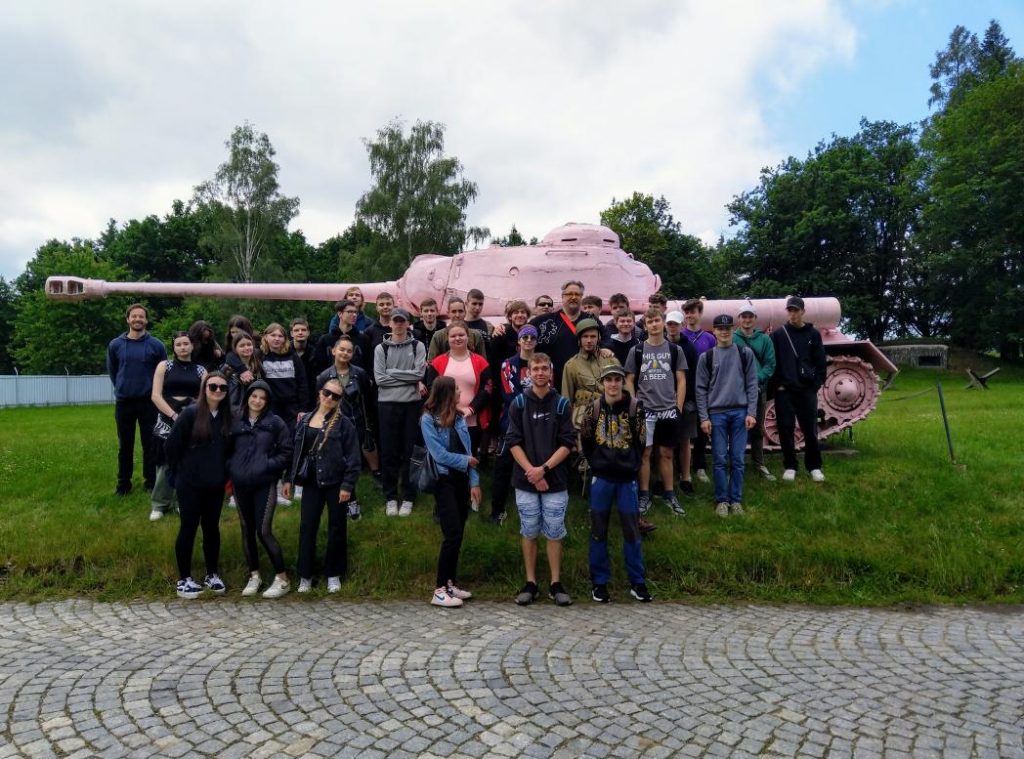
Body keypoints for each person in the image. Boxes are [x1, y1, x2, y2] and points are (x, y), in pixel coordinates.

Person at [506, 353, 576, 607]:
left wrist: (543, 470)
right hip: (526, 480)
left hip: (555, 479)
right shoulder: (519, 404)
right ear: (528, 373)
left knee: (555, 532)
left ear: (551, 372)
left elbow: (568, 443)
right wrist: (532, 473)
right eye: (535, 368)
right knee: (529, 529)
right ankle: (531, 582)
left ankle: (556, 583)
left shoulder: (562, 404)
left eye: (544, 368)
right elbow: (513, 442)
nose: (539, 372)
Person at [580, 364, 652, 603]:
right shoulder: (594, 408)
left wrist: (629, 464)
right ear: (602, 383)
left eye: (617, 380)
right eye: (608, 380)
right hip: (601, 478)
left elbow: (641, 443)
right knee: (598, 531)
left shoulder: (635, 408)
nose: (612, 384)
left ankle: (637, 581)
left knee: (632, 531)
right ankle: (599, 583)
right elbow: (587, 440)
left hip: (627, 479)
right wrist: (598, 463)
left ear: (622, 382)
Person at [284, 377, 362, 593]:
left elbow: (354, 458)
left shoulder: (344, 424)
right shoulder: (304, 420)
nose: (329, 398)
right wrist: (288, 479)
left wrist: (347, 486)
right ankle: (305, 575)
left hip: (336, 482)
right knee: (307, 527)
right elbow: (294, 453)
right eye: (327, 393)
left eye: (335, 396)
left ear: (339, 400)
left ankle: (333, 573)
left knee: (337, 528)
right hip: (310, 482)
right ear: (320, 393)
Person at [164, 371, 233, 599]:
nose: (217, 391)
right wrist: (176, 475)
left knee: (212, 528)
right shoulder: (190, 414)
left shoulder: (227, 417)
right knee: (188, 527)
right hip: (190, 483)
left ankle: (212, 573)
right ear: (204, 388)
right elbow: (172, 447)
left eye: (223, 388)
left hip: (215, 484)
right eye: (213, 386)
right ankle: (183, 578)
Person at [227, 380, 293, 598]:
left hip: (264, 483)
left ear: (268, 401)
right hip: (240, 483)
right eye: (254, 396)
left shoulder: (275, 422)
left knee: (263, 531)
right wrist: (231, 467)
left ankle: (282, 579)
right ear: (248, 396)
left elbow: (286, 451)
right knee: (246, 530)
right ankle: (254, 576)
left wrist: (267, 466)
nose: (257, 401)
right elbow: (226, 447)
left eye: (262, 398)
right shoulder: (235, 419)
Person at [421, 377, 482, 608]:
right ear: (446, 393)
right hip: (444, 481)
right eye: (456, 389)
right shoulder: (428, 420)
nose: (460, 392)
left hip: (461, 482)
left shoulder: (458, 418)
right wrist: (466, 461)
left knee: (459, 533)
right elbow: (439, 455)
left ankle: (450, 583)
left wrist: (474, 482)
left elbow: (469, 449)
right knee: (452, 534)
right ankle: (439, 590)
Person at [624, 309, 687, 516]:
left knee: (667, 453)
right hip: (646, 410)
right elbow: (629, 380)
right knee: (645, 453)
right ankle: (644, 494)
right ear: (645, 325)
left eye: (657, 320)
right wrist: (635, 404)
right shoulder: (637, 350)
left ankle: (669, 493)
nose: (653, 324)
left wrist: (678, 407)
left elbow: (681, 380)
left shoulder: (675, 350)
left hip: (668, 409)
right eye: (649, 321)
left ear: (663, 322)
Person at [696, 315, 759, 517]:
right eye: (720, 328)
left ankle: (736, 500)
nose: (724, 331)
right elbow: (700, 389)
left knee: (738, 459)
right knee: (720, 459)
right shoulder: (706, 357)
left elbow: (751, 384)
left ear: (733, 329)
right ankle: (722, 500)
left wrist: (751, 412)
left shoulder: (744, 353)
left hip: (740, 412)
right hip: (717, 414)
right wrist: (704, 417)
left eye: (727, 328)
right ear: (713, 331)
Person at [107, 303, 167, 496]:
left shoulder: (156, 345)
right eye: (134, 316)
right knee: (125, 445)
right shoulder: (115, 345)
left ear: (146, 320)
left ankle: (150, 482)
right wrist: (123, 387)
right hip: (124, 402)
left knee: (150, 444)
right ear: (127, 319)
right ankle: (123, 485)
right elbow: (113, 371)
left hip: (149, 403)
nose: (137, 319)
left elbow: (163, 372)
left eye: (141, 316)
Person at [374, 308, 428, 516]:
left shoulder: (418, 345)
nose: (398, 324)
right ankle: (390, 496)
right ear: (390, 324)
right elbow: (380, 379)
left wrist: (393, 373)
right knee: (388, 451)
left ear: (408, 324)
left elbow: (419, 374)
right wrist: (408, 377)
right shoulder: (381, 349)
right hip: (387, 405)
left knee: (408, 451)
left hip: (410, 405)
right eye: (395, 321)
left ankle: (408, 496)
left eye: (402, 321)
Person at [770, 296, 827, 482]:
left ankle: (814, 466)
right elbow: (773, 362)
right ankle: (790, 465)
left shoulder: (813, 334)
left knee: (810, 429)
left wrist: (815, 385)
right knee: (785, 428)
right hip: (785, 390)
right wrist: (777, 385)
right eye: (790, 310)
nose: (793, 314)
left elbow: (820, 361)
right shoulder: (779, 335)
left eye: (796, 310)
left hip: (806, 390)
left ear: (803, 311)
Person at [149, 331, 205, 521]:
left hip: (191, 417)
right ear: (174, 347)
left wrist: (188, 415)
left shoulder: (200, 370)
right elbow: (155, 395)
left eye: (186, 344)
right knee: (165, 461)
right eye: (178, 344)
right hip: (167, 417)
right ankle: (159, 504)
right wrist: (173, 415)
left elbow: (205, 397)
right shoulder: (164, 366)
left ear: (192, 346)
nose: (182, 347)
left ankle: (183, 501)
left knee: (187, 461)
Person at [317, 333, 378, 499]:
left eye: (349, 351)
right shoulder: (323, 376)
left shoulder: (360, 374)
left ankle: (369, 482)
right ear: (333, 351)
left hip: (358, 421)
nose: (345, 353)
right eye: (341, 349)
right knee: (341, 460)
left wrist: (368, 421)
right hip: (335, 424)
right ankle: (347, 495)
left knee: (360, 454)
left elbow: (368, 396)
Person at [425, 320, 493, 463]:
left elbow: (487, 388)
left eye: (461, 335)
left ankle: (471, 484)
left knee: (470, 457)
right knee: (448, 458)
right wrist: (450, 408)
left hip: (472, 419)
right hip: (444, 418)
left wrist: (471, 409)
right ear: (447, 339)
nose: (457, 338)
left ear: (468, 336)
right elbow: (432, 388)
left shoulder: (480, 362)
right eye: (453, 336)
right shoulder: (437, 362)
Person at [490, 324, 537, 525]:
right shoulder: (508, 364)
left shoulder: (544, 363)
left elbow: (548, 388)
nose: (528, 341)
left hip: (538, 421)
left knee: (534, 463)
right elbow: (509, 393)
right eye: (524, 337)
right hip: (513, 421)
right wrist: (531, 403)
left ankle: (533, 506)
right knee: (503, 466)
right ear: (518, 341)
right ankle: (497, 510)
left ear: (536, 341)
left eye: (532, 338)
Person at [732, 303, 777, 481]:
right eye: (744, 316)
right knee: (736, 428)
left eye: (750, 316)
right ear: (739, 319)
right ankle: (737, 463)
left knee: (757, 429)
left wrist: (755, 380)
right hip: (736, 391)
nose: (747, 319)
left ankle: (759, 462)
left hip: (758, 389)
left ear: (755, 319)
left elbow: (770, 364)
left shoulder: (764, 340)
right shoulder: (733, 339)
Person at [665, 311, 700, 498]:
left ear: (681, 325)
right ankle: (666, 478)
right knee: (666, 442)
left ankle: (686, 477)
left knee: (685, 440)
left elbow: (692, 376)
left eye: (675, 324)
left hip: (686, 400)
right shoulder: (659, 345)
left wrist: (689, 399)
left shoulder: (689, 348)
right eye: (669, 323)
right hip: (663, 399)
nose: (672, 327)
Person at [682, 298, 716, 484]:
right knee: (685, 433)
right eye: (686, 312)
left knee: (703, 429)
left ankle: (700, 466)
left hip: (704, 390)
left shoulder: (709, 338)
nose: (689, 315)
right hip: (685, 390)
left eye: (693, 312)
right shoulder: (680, 336)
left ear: (699, 314)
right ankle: (683, 467)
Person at [530, 280, 586, 385]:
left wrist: (605, 348)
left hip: (581, 382)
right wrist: (502, 328)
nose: (573, 297)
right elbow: (522, 335)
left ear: (581, 297)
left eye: (577, 294)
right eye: (569, 294)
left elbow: (606, 339)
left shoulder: (591, 320)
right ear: (562, 297)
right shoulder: (543, 321)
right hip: (550, 383)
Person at [314, 300, 371, 377]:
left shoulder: (364, 339)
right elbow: (318, 366)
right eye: (350, 312)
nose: (354, 315)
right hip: (331, 384)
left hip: (357, 384)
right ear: (340, 314)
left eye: (355, 312)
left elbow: (369, 365)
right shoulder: (325, 339)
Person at [224, 331, 263, 415]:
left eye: (249, 344)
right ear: (235, 349)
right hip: (234, 412)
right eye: (242, 346)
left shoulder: (258, 366)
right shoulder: (227, 369)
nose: (246, 348)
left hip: (255, 411)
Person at [290, 317, 317, 408]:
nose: (300, 332)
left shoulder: (316, 352)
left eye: (303, 330)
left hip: (311, 398)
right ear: (292, 333)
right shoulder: (284, 352)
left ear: (308, 333)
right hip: (290, 399)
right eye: (296, 330)